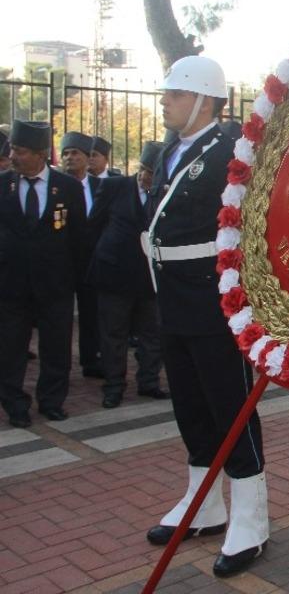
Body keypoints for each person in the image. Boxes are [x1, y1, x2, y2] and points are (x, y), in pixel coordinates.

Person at [144, 55, 269, 578]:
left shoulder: (231, 149)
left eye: (175, 92)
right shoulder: (176, 150)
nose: (166, 100)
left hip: (214, 297)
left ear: (203, 99)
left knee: (229, 405)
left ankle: (252, 518)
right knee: (191, 406)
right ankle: (204, 504)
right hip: (172, 293)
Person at [0, 120, 86, 427]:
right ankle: (14, 404)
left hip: (55, 286)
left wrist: (75, 281)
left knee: (56, 347)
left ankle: (51, 401)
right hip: (11, 286)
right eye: (12, 149)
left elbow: (79, 239)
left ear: (39, 154)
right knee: (10, 349)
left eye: (20, 150)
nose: (12, 156)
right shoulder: (3, 186)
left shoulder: (68, 188)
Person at [87, 141, 169, 409]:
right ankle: (114, 386)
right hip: (114, 275)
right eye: (144, 170)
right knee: (114, 334)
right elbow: (94, 225)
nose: (146, 177)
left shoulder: (165, 194)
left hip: (149, 279)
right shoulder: (114, 187)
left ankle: (149, 382)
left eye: (153, 172)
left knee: (152, 333)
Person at [60, 130, 104, 379]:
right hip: (63, 263)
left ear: (87, 158)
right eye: (65, 153)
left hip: (92, 262)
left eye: (75, 153)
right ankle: (61, 364)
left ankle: (91, 359)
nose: (69, 158)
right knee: (61, 320)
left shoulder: (101, 186)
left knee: (91, 314)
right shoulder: (57, 186)